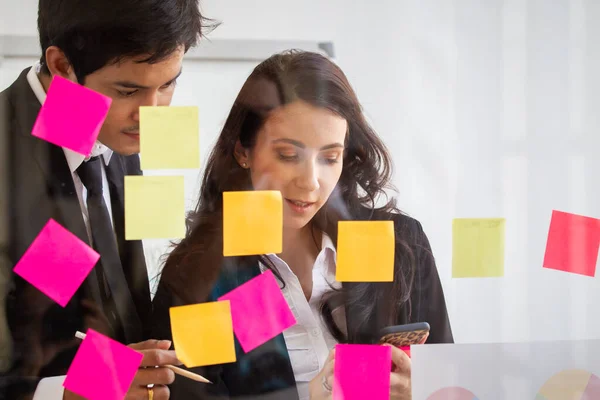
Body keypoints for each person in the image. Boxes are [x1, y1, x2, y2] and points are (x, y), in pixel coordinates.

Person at [152, 50, 454, 400]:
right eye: (288, 155)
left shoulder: (399, 244)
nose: (311, 182)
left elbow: (450, 383)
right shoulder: (202, 276)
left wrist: (426, 390)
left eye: (330, 157)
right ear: (242, 151)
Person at [0, 0, 214, 399]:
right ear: (62, 65)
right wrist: (71, 391)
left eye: (167, 84)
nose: (152, 114)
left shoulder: (109, 134)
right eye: (128, 90)